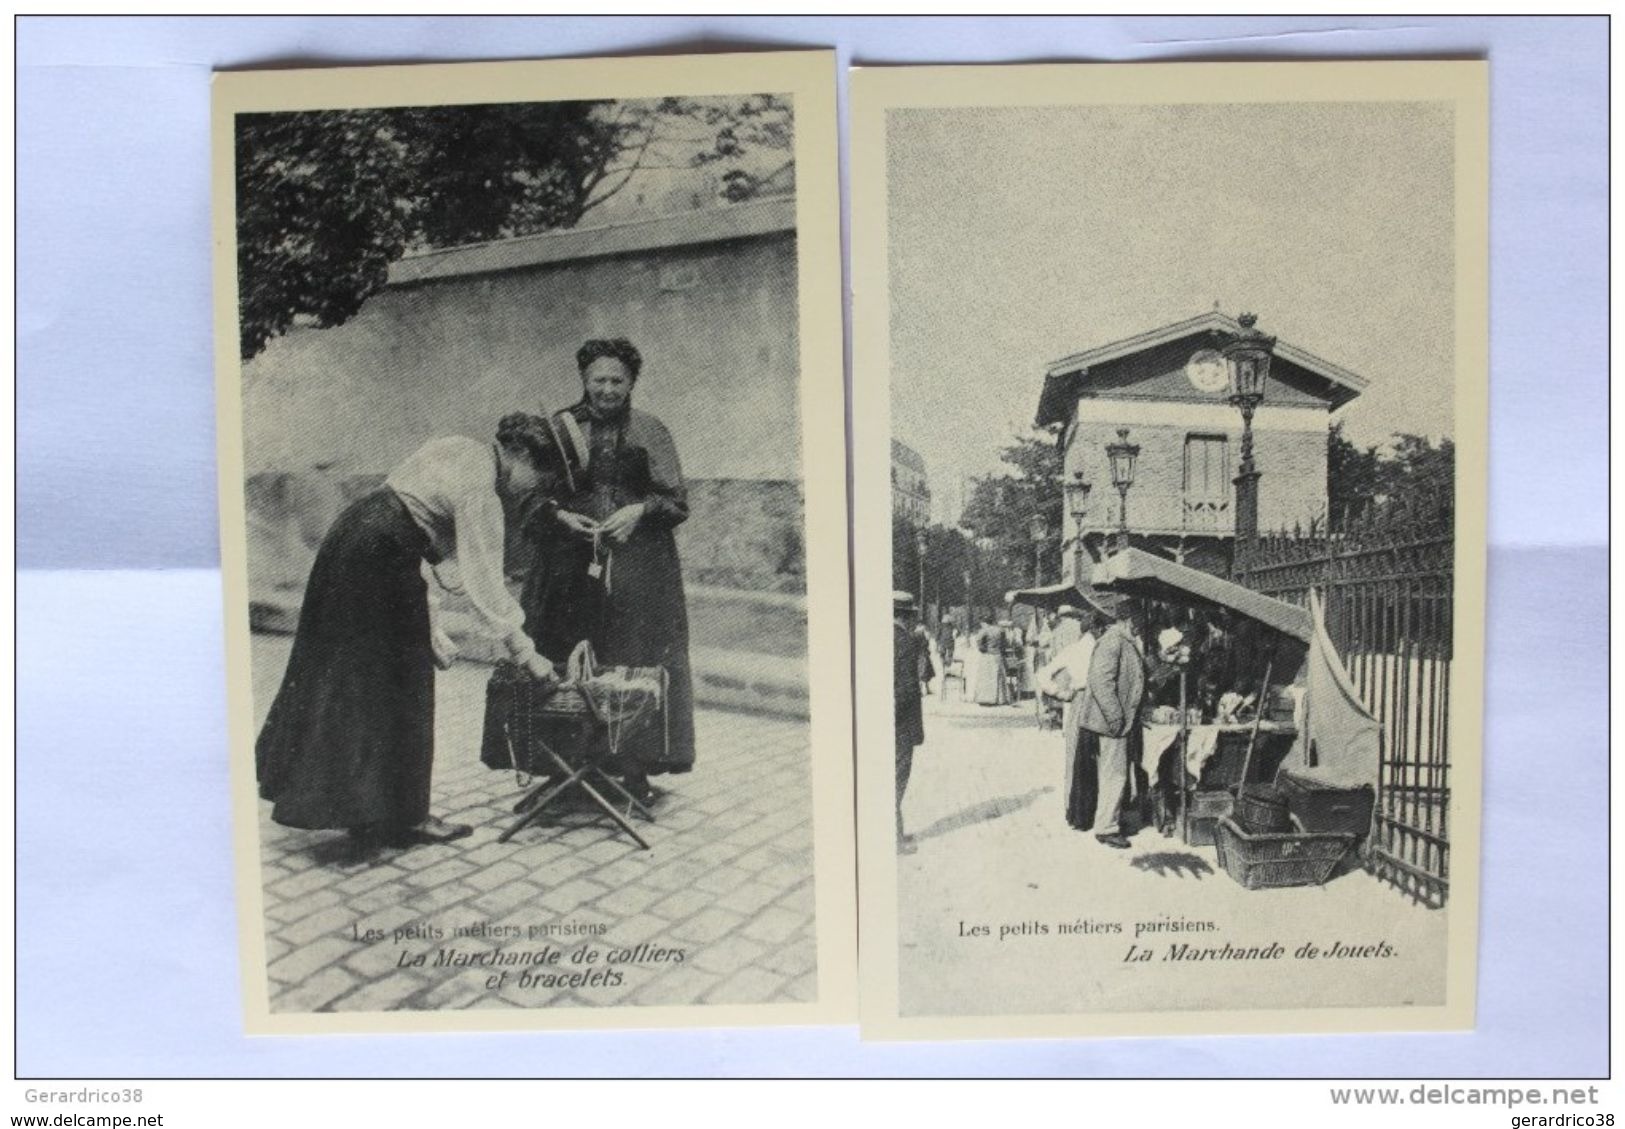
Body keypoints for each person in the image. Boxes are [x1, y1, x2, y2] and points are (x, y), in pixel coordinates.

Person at [256, 415, 563, 847]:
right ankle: (406, 817)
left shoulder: (459, 446)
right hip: (380, 556)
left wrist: (431, 620)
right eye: (540, 478)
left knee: (351, 675)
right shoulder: (481, 490)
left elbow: (423, 539)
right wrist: (528, 655)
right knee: (405, 683)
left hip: (352, 538)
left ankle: (368, 810)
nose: (534, 489)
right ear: (523, 456)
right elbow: (484, 585)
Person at [514, 338, 696, 805]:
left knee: (632, 657)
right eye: (600, 380)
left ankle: (633, 768)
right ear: (584, 381)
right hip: (567, 568)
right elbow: (528, 497)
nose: (608, 389)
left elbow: (676, 502)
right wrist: (558, 516)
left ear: (632, 381)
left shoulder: (651, 431)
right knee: (563, 655)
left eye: (618, 380)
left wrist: (638, 512)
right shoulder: (560, 429)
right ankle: (563, 767)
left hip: (638, 571)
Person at [1080, 598, 1149, 849]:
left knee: (1117, 773)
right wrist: (1116, 716)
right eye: (1139, 619)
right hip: (1112, 723)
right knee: (1114, 774)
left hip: (1120, 721)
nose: (1141, 625)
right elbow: (1101, 681)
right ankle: (1106, 828)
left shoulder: (1124, 640)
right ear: (1130, 619)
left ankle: (1113, 820)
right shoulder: (1113, 641)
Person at [1038, 605, 1105, 830]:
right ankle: (1098, 811)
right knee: (1100, 758)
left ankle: (1074, 809)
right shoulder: (1101, 650)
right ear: (1096, 630)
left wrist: (1061, 693)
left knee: (1076, 755)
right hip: (1100, 702)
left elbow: (1043, 675)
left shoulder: (1072, 650)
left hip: (1078, 701)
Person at [894, 592, 934, 852]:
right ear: (905, 616)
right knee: (897, 776)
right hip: (899, 722)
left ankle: (896, 831)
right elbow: (907, 687)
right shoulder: (905, 641)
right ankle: (893, 839)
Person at [971, 615, 1010, 706]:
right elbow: (1005, 643)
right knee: (998, 676)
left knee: (987, 677)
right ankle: (1000, 698)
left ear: (984, 623)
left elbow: (978, 641)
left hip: (988, 655)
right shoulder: (1000, 630)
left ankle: (986, 698)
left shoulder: (984, 630)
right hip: (998, 655)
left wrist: (983, 649)